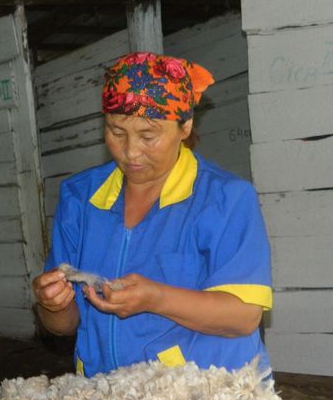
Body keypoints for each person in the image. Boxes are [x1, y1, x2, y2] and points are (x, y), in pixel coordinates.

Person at [32, 52, 272, 378]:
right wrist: (53, 305)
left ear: (185, 125)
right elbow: (64, 325)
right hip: (106, 396)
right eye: (116, 132)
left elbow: (243, 316)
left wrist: (155, 298)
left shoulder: (226, 199)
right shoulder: (81, 198)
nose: (131, 151)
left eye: (148, 136)